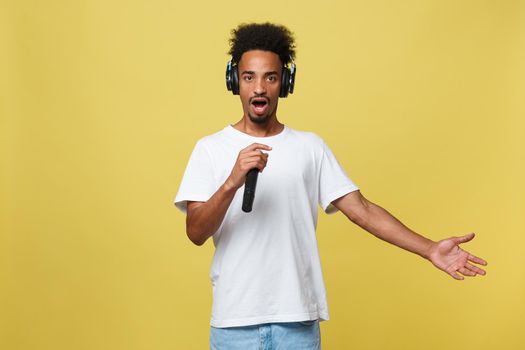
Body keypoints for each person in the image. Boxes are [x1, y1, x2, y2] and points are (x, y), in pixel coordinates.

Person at [173, 22, 488, 350]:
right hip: (234, 325)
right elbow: (195, 232)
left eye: (271, 76)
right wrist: (231, 182)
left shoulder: (310, 147)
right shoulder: (210, 149)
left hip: (297, 325)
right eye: (249, 76)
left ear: (285, 82)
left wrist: (429, 248)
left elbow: (362, 210)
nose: (259, 88)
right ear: (235, 80)